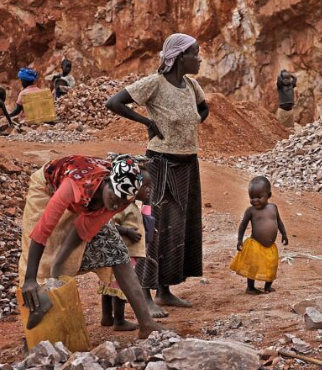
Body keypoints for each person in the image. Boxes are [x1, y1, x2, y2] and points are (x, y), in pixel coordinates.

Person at [106, 33, 209, 318]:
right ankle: (147, 295)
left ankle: (165, 291)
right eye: (195, 54)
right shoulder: (154, 84)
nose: (199, 59)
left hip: (188, 164)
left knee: (178, 226)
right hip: (160, 165)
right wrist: (147, 122)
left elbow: (204, 107)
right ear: (179, 57)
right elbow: (114, 103)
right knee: (154, 227)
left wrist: (193, 122)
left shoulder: (191, 85)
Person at [19, 154, 161, 339]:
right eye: (113, 197)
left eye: (121, 202)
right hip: (48, 187)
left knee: (116, 251)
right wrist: (31, 278)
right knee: (43, 261)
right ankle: (35, 335)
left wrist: (59, 266)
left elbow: (81, 229)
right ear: (106, 182)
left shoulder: (121, 197)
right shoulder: (75, 185)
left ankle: (147, 324)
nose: (115, 204)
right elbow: (42, 230)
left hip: (86, 200)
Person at [97, 159, 154, 332]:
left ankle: (107, 317)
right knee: (121, 287)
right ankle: (119, 320)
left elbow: (146, 219)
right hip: (122, 253)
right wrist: (127, 232)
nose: (149, 190)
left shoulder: (134, 205)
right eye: (145, 187)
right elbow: (109, 224)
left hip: (120, 252)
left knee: (108, 285)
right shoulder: (121, 207)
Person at [230, 176, 288, 294]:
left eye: (259, 197)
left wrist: (284, 234)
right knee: (253, 266)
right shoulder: (251, 211)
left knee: (271, 266)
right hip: (255, 245)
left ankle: (268, 287)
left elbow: (279, 222)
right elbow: (242, 225)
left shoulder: (273, 208)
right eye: (252, 197)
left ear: (269, 195)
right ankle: (250, 287)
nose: (255, 200)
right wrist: (239, 240)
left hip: (270, 247)